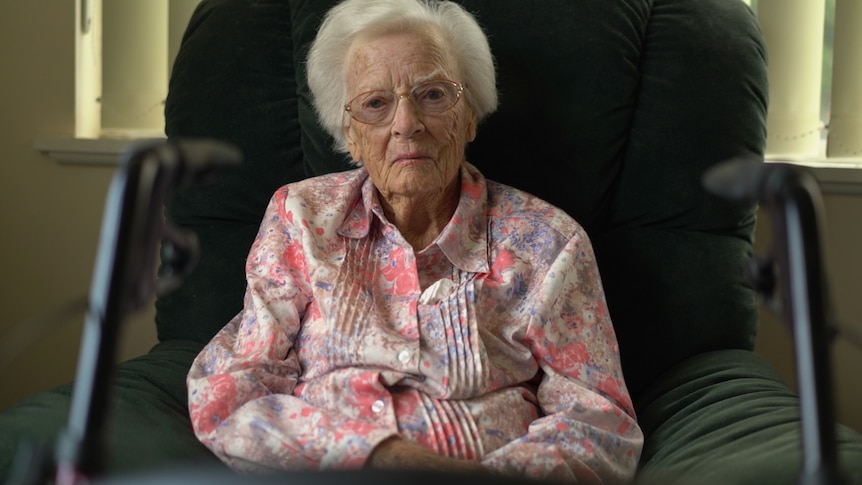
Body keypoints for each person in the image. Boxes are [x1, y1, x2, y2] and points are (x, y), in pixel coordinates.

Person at [187, 0, 643, 482]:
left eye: (432, 94)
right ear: (351, 135)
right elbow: (231, 391)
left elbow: (600, 424)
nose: (407, 123)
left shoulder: (550, 244)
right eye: (376, 104)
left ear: (469, 116)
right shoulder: (301, 219)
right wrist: (383, 459)